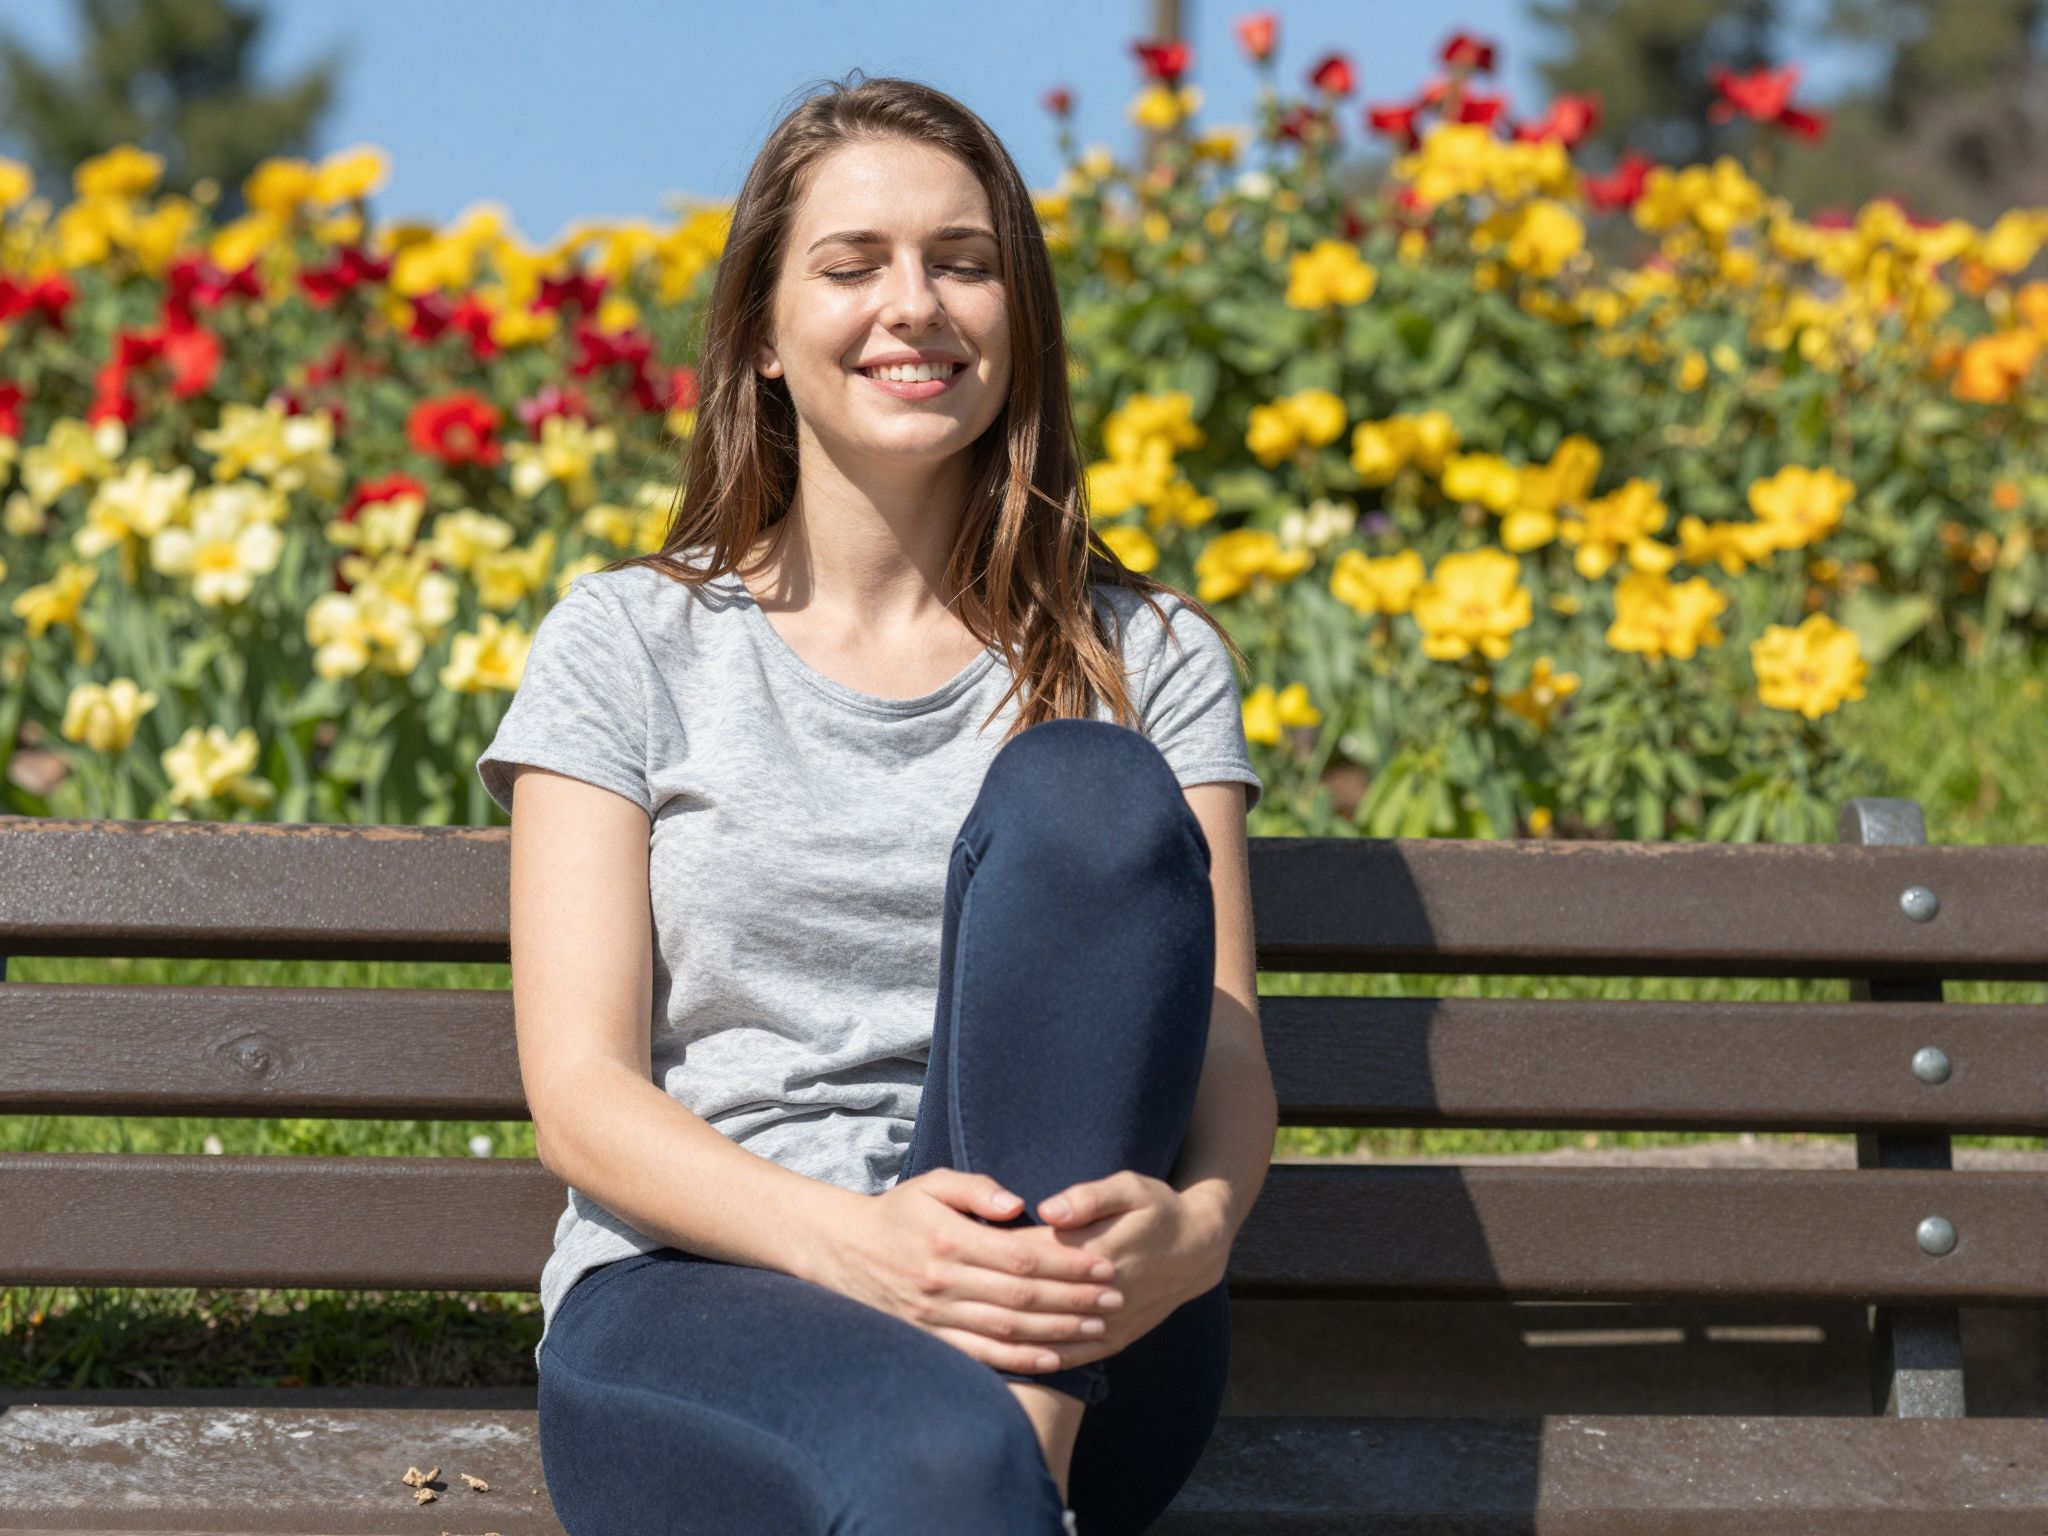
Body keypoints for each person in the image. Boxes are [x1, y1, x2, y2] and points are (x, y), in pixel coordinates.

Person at [476, 70, 1277, 1536]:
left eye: (962, 263)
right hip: (705, 1301)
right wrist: (867, 1251)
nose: (914, 305)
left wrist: (1200, 1232)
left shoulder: (1151, 658)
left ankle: (1018, 1446)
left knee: (1092, 795)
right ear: (765, 339)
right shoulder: (632, 644)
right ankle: (1003, 1475)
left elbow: (1227, 1059)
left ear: (1016, 315)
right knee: (933, 1467)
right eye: (852, 267)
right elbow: (584, 1103)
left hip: (1090, 1329)